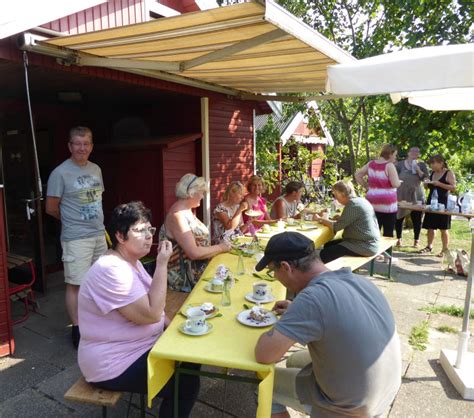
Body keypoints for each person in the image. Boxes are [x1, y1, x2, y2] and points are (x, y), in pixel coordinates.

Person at [254, 232, 401, 418]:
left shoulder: (312, 299)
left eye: (272, 271)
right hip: (384, 390)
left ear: (286, 267)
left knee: (266, 386)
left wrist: (290, 318)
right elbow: (336, 314)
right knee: (293, 361)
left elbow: (264, 355)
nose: (274, 276)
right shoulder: (358, 281)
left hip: (351, 407)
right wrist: (296, 311)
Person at [78, 201, 200, 417]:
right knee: (185, 386)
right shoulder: (110, 270)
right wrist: (162, 264)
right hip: (113, 362)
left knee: (193, 355)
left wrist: (177, 332)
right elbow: (152, 313)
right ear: (120, 236)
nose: (148, 235)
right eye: (139, 230)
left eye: (149, 229)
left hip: (138, 347)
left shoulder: (131, 262)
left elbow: (156, 308)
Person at [45, 126, 107, 348]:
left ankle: (97, 321)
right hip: (75, 237)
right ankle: (78, 328)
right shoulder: (60, 173)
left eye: (86, 143)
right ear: (70, 146)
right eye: (77, 143)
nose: (82, 148)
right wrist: (72, 221)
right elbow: (51, 207)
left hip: (99, 234)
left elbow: (97, 199)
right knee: (76, 284)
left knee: (98, 280)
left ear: (91, 146)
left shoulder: (96, 169)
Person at [159, 173, 231, 292]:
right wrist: (221, 247)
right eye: (201, 192)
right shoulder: (177, 216)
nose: (202, 196)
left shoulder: (186, 211)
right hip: (185, 282)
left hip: (198, 274)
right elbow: (194, 252)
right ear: (191, 193)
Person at [314, 181, 380, 264]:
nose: (335, 198)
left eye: (335, 194)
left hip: (364, 245)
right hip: (366, 241)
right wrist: (341, 218)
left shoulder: (352, 205)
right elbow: (354, 220)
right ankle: (335, 271)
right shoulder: (361, 200)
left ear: (341, 194)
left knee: (325, 253)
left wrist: (320, 219)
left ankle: (330, 274)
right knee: (328, 245)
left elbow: (336, 227)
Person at [355, 144, 401, 238]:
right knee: (388, 233)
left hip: (372, 202)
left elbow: (358, 175)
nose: (395, 157)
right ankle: (386, 252)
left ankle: (372, 251)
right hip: (387, 204)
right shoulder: (389, 166)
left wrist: (366, 185)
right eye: (395, 155)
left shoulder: (371, 164)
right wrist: (399, 182)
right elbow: (395, 184)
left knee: (373, 231)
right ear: (390, 154)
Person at [420, 155, 456, 256]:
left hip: (443, 204)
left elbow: (453, 187)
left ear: (441, 163)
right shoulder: (433, 173)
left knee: (443, 228)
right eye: (431, 164)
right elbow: (429, 188)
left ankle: (444, 250)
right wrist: (426, 184)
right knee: (430, 226)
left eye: (433, 163)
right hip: (431, 203)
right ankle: (429, 246)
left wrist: (439, 184)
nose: (431, 166)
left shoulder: (448, 173)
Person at [395, 147, 429, 248]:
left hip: (416, 194)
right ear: (408, 153)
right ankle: (398, 239)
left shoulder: (422, 165)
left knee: (417, 218)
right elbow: (393, 176)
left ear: (419, 154)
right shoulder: (400, 164)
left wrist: (418, 170)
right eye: (412, 151)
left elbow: (426, 179)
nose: (414, 153)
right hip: (401, 194)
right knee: (399, 217)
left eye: (417, 152)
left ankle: (416, 240)